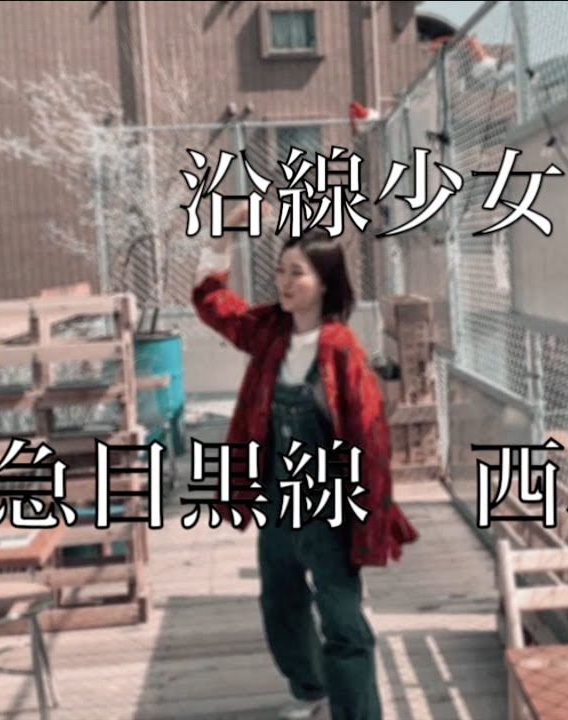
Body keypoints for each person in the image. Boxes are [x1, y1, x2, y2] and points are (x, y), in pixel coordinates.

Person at [190, 201, 420, 720]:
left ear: (325, 283)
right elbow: (211, 302)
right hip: (277, 502)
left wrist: (371, 522)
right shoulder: (269, 332)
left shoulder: (342, 349)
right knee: (281, 608)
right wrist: (223, 234)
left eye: (298, 272)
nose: (285, 282)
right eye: (280, 270)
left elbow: (370, 442)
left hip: (330, 510)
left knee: (343, 622)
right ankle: (312, 690)